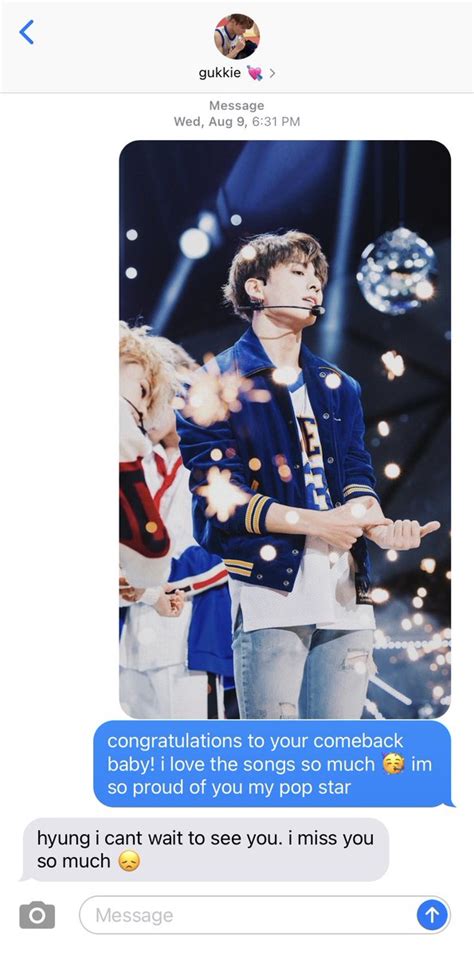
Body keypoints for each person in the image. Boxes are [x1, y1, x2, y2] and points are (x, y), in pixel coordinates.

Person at [177, 231, 440, 720]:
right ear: (256, 288)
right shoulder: (210, 384)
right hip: (271, 592)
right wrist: (320, 524)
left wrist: (378, 527)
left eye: (318, 276)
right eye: (298, 273)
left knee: (337, 753)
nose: (315, 284)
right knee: (277, 756)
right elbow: (221, 497)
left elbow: (356, 475)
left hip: (346, 595)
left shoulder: (339, 386)